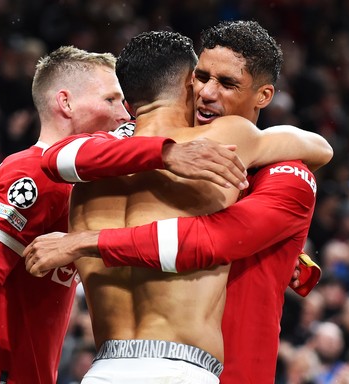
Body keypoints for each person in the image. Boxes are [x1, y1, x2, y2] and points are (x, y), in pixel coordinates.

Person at [25, 21, 332, 383]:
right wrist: (165, 153)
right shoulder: (231, 139)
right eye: (200, 78)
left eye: (227, 83)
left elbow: (53, 158)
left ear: (264, 96)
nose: (206, 93)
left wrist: (80, 242)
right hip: (185, 368)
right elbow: (320, 147)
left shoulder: (95, 162)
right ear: (185, 83)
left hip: (106, 369)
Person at [0, 45, 254, 384]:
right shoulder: (30, 174)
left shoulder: (86, 187)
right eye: (111, 100)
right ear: (65, 103)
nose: (125, 111)